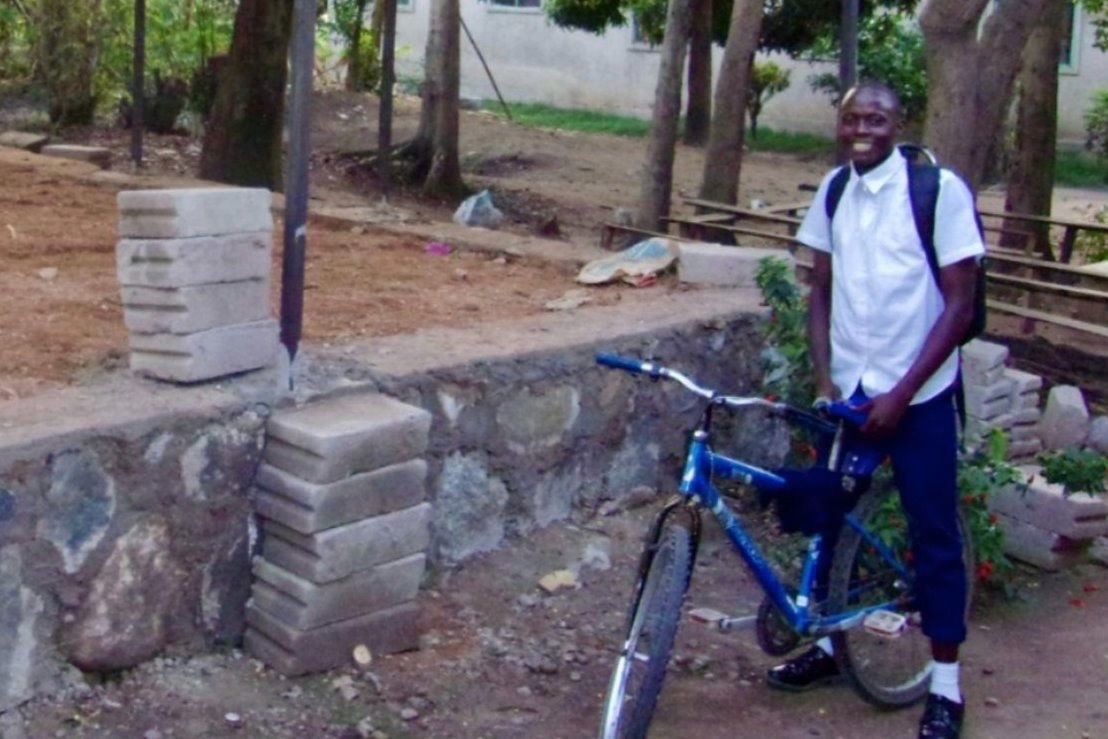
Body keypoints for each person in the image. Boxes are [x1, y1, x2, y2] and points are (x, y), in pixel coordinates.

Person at [765, 81, 984, 739]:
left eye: (877, 118)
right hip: (855, 394)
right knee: (831, 516)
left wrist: (902, 392)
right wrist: (828, 378)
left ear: (898, 124)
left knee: (933, 533)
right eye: (853, 117)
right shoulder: (835, 191)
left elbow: (960, 305)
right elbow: (819, 290)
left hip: (918, 396)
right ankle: (833, 647)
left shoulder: (938, 192)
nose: (863, 127)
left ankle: (945, 685)